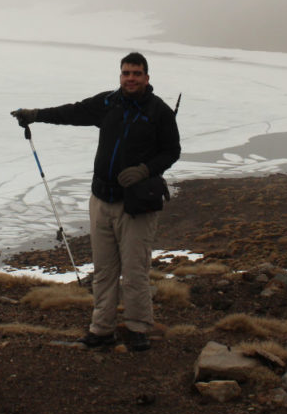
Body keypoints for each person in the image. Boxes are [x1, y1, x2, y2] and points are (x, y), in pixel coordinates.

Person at [11, 52, 181, 351]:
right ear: (120, 76)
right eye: (126, 73)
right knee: (103, 269)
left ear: (147, 78)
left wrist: (144, 170)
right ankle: (101, 328)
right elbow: (73, 112)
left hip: (137, 205)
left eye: (137, 73)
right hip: (101, 199)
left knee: (135, 270)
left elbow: (171, 151)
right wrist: (36, 114)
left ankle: (138, 327)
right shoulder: (108, 103)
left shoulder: (160, 112)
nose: (131, 78)